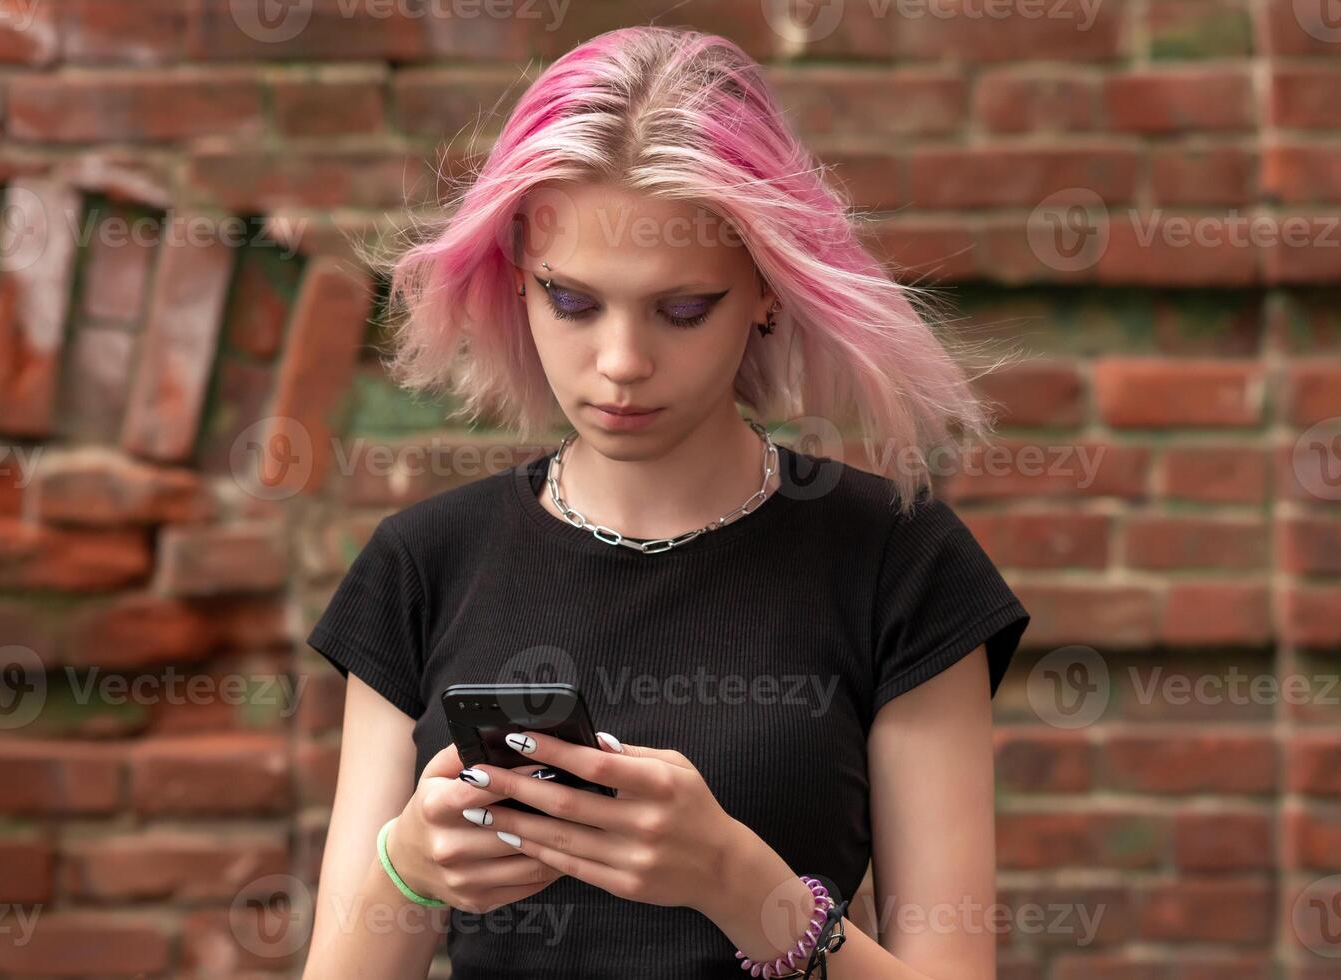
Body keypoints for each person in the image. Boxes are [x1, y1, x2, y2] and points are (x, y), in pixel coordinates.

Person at [302, 25, 1030, 980]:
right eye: (571, 301)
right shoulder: (423, 565)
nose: (621, 364)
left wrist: (737, 882)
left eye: (682, 309)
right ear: (515, 276)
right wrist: (408, 869)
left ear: (767, 290)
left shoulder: (901, 564)